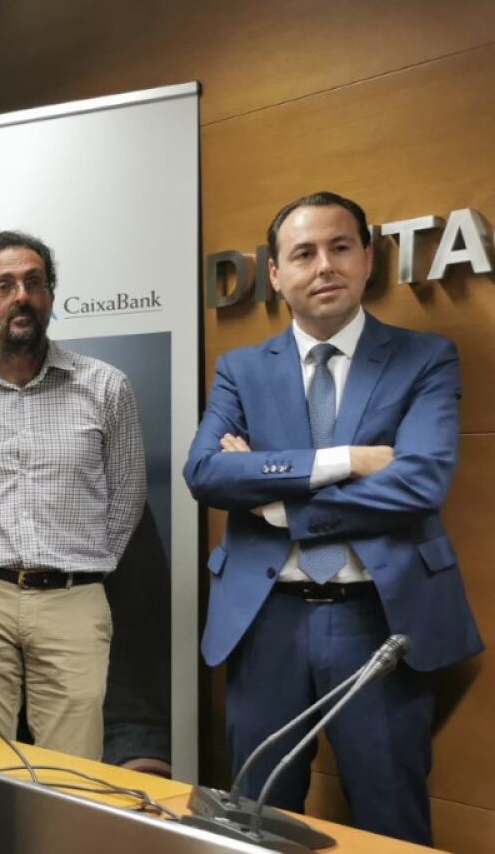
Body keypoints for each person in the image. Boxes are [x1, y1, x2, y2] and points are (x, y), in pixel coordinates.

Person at [183, 191, 481, 845]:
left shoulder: (424, 357)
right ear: (276, 273)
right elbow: (206, 473)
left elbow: (420, 482)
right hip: (265, 622)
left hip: (380, 619)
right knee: (255, 816)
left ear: (368, 259)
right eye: (304, 253)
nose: (324, 265)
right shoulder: (240, 369)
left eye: (340, 247)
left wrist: (278, 501)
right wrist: (346, 460)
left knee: (390, 817)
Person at [0, 230, 145, 760]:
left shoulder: (106, 386)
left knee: (73, 765)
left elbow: (127, 495)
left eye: (34, 283)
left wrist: (81, 564)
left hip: (73, 596)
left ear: (49, 297)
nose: (21, 296)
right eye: (3, 286)